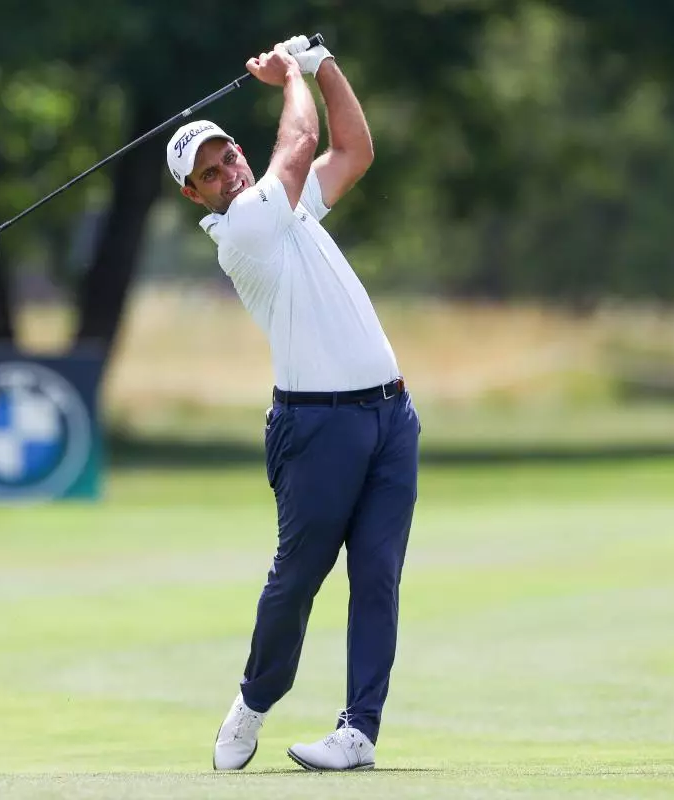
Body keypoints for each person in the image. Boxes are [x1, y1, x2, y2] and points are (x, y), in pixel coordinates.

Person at [164, 36, 421, 771]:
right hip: (317, 428)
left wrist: (325, 65)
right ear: (196, 195)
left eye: (224, 157)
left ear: (238, 151)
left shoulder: (287, 205)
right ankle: (252, 702)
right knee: (299, 579)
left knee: (376, 573)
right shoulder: (243, 229)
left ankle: (358, 732)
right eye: (207, 175)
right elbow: (305, 137)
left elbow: (355, 151)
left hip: (390, 418)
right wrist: (288, 78)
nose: (222, 173)